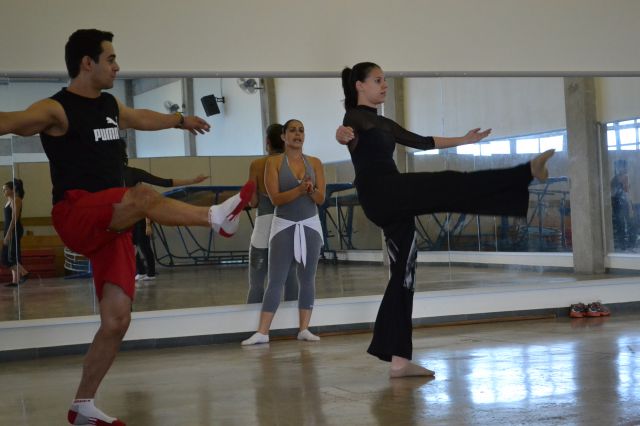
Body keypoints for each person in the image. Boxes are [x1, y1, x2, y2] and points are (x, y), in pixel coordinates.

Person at [0, 29, 255, 426]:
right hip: (77, 212)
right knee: (142, 195)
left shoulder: (110, 105)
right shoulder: (57, 109)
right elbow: (11, 122)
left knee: (118, 319)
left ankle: (82, 405)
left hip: (113, 220)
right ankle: (214, 218)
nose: (117, 66)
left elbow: (141, 118)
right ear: (88, 63)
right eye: (111, 59)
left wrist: (179, 120)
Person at [336, 62, 554, 378]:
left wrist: (464, 140)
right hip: (383, 191)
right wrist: (341, 135)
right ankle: (525, 172)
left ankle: (398, 360)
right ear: (360, 85)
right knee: (449, 184)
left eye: (385, 80)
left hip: (391, 197)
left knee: (405, 271)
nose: (384, 85)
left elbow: (424, 141)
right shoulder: (355, 117)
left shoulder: (383, 122)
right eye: (378, 80)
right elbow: (345, 132)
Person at [242, 119, 325, 345]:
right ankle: (262, 331)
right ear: (283, 136)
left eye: (301, 130)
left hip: (296, 225)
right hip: (281, 225)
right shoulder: (272, 163)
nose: (298, 134)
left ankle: (302, 328)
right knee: (279, 280)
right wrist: (300, 189)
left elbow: (320, 198)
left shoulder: (314, 162)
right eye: (293, 130)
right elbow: (276, 199)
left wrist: (310, 190)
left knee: (300, 279)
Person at [122, 164, 209, 281]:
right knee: (131, 246)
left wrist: (193, 180)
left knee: (143, 245)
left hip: (139, 216)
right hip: (125, 216)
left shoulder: (133, 174)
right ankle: (141, 270)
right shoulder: (111, 176)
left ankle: (151, 273)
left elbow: (164, 182)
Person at [246, 123, 299, 303]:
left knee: (256, 284)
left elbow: (253, 202)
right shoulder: (295, 163)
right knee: (290, 278)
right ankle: (294, 317)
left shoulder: (256, 165)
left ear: (267, 141)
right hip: (288, 226)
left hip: (263, 227)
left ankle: (252, 318)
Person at [2, 179, 29, 287]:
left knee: (8, 258)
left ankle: (24, 273)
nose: (3, 191)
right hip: (8, 229)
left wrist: (9, 233)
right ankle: (15, 281)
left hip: (13, 230)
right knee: (11, 256)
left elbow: (14, 219)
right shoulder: (9, 200)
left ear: (13, 189)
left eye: (5, 189)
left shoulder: (16, 200)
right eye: (3, 189)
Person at [610, 159, 637, 251]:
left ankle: (630, 244)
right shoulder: (615, 180)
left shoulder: (626, 178)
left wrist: (630, 207)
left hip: (626, 205)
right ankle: (623, 245)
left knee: (631, 223)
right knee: (620, 225)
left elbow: (628, 194)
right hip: (618, 207)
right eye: (623, 167)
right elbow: (613, 194)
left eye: (625, 167)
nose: (625, 169)